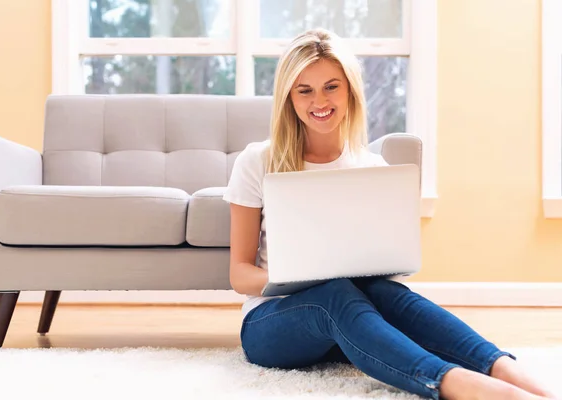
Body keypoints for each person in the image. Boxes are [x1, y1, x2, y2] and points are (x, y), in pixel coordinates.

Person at [222, 28, 558, 400]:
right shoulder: (258, 161)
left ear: (350, 91)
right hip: (273, 324)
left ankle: (512, 374)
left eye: (331, 87)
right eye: (305, 90)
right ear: (289, 96)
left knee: (385, 291)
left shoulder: (371, 167)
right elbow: (240, 274)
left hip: (353, 316)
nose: (320, 100)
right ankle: (459, 385)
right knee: (332, 293)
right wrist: (296, 279)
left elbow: (387, 267)